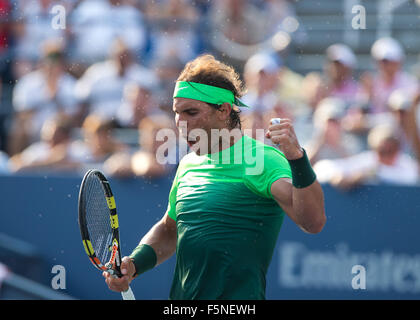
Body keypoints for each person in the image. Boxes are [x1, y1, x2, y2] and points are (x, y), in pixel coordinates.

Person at [103, 54, 326, 300]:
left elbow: (313, 222)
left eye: (191, 112)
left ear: (224, 110)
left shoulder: (261, 160)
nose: (181, 123)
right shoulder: (188, 164)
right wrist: (134, 264)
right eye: (177, 113)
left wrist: (297, 158)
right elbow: (170, 230)